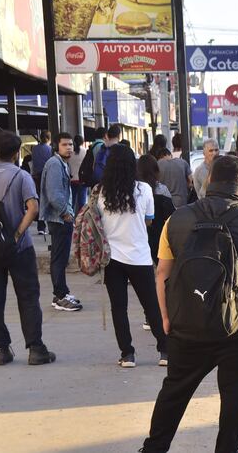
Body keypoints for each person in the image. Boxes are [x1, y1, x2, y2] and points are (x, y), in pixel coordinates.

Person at [141, 155, 238, 453]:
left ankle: (154, 449)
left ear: (208, 181)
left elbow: (162, 275)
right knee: (235, 405)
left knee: (174, 394)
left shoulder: (176, 219)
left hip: (188, 326)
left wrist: (167, 319)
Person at [0, 132, 56, 367]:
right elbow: (32, 208)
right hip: (19, 248)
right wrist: (15, 235)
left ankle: (1, 349)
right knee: (28, 296)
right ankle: (35, 348)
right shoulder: (22, 176)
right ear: (16, 153)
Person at [98, 145, 167, 368]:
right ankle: (165, 351)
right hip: (139, 256)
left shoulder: (101, 192)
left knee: (119, 308)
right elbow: (149, 220)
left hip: (112, 259)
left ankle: (127, 354)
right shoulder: (144, 189)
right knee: (151, 305)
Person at [40, 132, 82, 312]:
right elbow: (54, 195)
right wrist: (66, 213)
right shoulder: (55, 165)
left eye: (71, 144)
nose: (69, 148)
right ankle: (60, 296)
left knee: (62, 257)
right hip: (59, 218)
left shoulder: (61, 164)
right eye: (65, 144)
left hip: (61, 217)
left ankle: (62, 292)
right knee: (59, 257)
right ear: (57, 146)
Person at [137, 154, 175, 264]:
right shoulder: (162, 190)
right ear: (156, 170)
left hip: (140, 237)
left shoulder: (136, 191)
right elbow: (170, 215)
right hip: (159, 237)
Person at [31, 131, 52, 234]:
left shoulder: (34, 149)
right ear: (49, 138)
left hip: (36, 177)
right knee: (49, 200)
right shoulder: (50, 149)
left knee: (39, 200)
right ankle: (51, 226)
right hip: (47, 176)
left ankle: (41, 227)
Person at [68, 134, 87, 215]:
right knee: (82, 203)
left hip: (72, 180)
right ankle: (80, 220)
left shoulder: (70, 152)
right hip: (82, 180)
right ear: (82, 142)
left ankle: (71, 221)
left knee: (71, 202)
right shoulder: (85, 151)